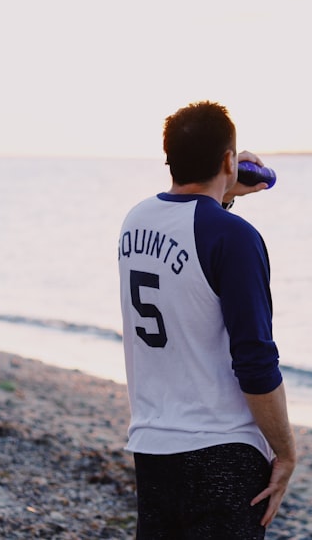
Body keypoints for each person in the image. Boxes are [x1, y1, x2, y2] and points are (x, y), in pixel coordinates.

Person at [117, 100, 296, 538]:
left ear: (170, 159)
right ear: (229, 160)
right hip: (221, 452)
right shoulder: (234, 238)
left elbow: (191, 230)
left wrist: (225, 190)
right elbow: (254, 361)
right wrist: (286, 453)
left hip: (153, 447)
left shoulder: (135, 221)